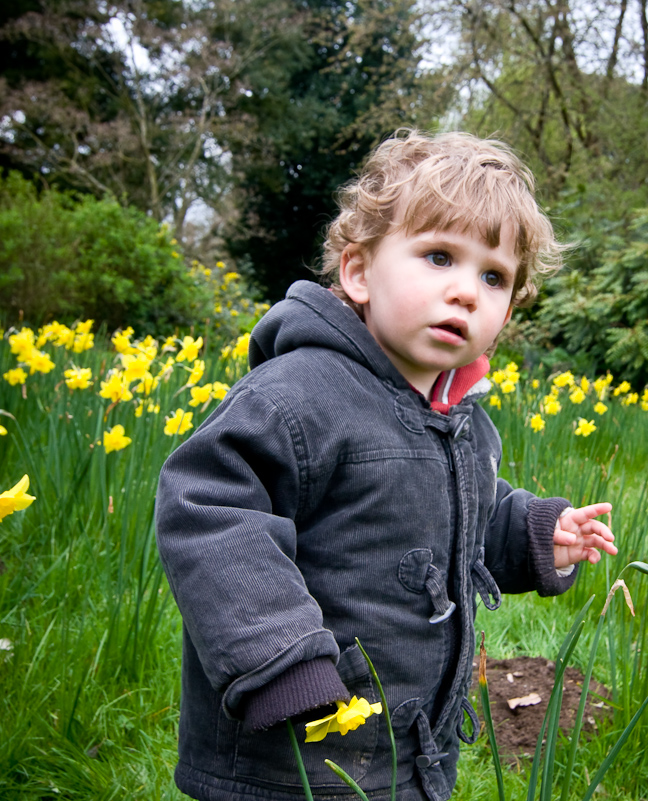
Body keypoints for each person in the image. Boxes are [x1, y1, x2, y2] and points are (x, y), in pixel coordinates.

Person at [155, 129, 617, 801]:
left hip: (404, 750)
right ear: (358, 273)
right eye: (438, 256)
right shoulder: (297, 394)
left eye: (493, 277)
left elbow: (458, 519)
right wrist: (278, 658)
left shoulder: (461, 418)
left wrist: (530, 533)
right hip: (285, 753)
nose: (465, 291)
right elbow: (208, 508)